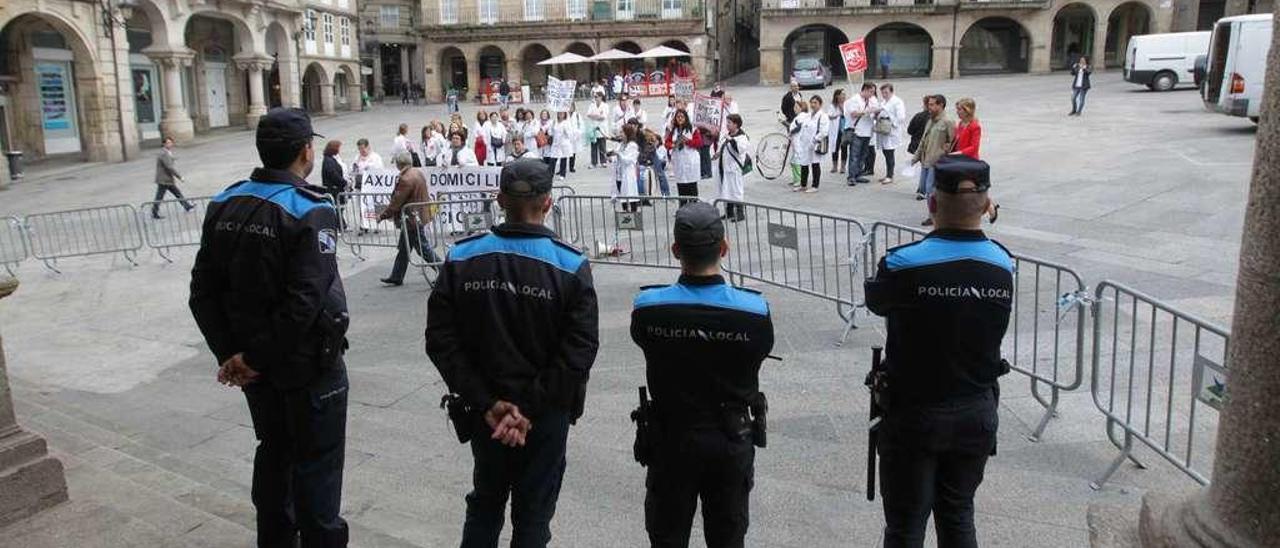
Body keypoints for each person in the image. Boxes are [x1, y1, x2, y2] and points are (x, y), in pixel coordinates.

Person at [189, 108, 350, 547]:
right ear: (305, 151)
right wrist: (251, 358)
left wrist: (233, 356)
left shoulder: (225, 202)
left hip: (256, 372)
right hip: (306, 368)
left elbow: (202, 292)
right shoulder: (309, 209)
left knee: (275, 452)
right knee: (317, 468)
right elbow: (305, 303)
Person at [426, 159, 599, 548]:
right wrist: (528, 408)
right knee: (533, 515)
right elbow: (580, 349)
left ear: (500, 199)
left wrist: (488, 404)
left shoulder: (461, 258)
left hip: (484, 412)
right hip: (544, 414)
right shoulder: (570, 265)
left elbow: (440, 339)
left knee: (485, 504)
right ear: (549, 203)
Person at [863, 154, 1011, 548]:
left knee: (906, 526)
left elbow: (876, 301)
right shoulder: (1002, 264)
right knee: (959, 515)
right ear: (986, 203)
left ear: (932, 203)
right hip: (975, 409)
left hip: (914, 412)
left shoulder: (903, 264)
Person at [630, 201, 774, 548]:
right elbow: (760, 350)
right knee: (727, 537)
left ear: (675, 250)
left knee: (667, 536)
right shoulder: (754, 311)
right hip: (730, 439)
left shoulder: (650, 308)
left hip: (671, 439)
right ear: (724, 248)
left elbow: (642, 339)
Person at [378, 152, 435, 286]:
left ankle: (445, 271)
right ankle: (397, 275)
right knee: (404, 248)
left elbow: (396, 202)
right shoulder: (417, 172)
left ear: (399, 164)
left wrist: (383, 215)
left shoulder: (405, 179)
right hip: (417, 216)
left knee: (423, 249)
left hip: (411, 219)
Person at [913, 95, 957, 226]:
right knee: (926, 189)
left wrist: (946, 153)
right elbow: (923, 140)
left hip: (938, 162)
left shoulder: (948, 121)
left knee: (930, 190)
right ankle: (935, 214)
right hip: (926, 160)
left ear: (941, 105)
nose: (929, 107)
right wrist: (916, 157)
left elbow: (953, 142)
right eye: (929, 104)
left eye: (932, 105)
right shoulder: (930, 120)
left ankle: (934, 216)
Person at [715, 113, 752, 220]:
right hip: (725, 168)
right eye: (727, 122)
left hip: (734, 169)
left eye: (729, 123)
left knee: (736, 190)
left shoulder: (742, 137)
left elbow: (739, 150)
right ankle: (729, 212)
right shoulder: (728, 134)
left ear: (736, 124)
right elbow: (723, 147)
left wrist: (731, 140)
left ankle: (740, 214)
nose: (727, 125)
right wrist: (717, 154)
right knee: (726, 190)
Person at [844, 82, 881, 186]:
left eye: (873, 92)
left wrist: (876, 111)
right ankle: (851, 176)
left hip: (868, 131)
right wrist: (867, 111)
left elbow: (875, 111)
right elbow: (853, 113)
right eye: (871, 92)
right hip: (857, 131)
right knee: (854, 155)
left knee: (863, 154)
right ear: (864, 89)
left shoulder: (872, 100)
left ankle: (858, 174)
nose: (872, 94)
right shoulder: (854, 99)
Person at [151, 136, 195, 219]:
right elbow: (169, 167)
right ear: (164, 144)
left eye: (171, 142)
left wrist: (173, 159)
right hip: (164, 179)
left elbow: (168, 161)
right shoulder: (164, 153)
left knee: (176, 193)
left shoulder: (166, 152)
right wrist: (180, 177)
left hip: (165, 179)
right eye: (168, 143)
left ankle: (187, 206)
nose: (170, 144)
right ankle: (154, 212)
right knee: (160, 196)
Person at [792, 95, 829, 194]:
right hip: (805, 144)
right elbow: (802, 126)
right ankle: (803, 185)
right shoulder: (808, 115)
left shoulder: (823, 116)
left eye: (815, 103)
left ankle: (815, 185)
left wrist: (814, 141)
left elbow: (824, 132)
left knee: (815, 164)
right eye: (811, 102)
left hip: (814, 144)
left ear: (820, 104)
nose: (813, 105)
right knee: (804, 164)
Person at [666, 109, 703, 198]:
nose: (680, 119)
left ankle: (693, 207)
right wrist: (673, 145)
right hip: (679, 161)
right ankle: (683, 208)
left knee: (691, 187)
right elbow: (667, 143)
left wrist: (687, 141)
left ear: (686, 118)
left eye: (682, 117)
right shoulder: (673, 130)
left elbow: (699, 143)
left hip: (690, 161)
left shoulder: (692, 130)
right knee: (681, 187)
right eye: (678, 117)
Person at [875, 83, 907, 185]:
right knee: (885, 152)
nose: (884, 95)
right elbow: (879, 112)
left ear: (891, 92)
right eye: (882, 93)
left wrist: (891, 120)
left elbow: (901, 117)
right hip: (883, 128)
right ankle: (888, 174)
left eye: (886, 92)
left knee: (889, 153)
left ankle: (890, 175)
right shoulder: (883, 101)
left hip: (891, 129)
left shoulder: (897, 102)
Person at [609, 123, 642, 212]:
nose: (620, 134)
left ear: (627, 133)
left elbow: (628, 160)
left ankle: (633, 215)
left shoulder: (632, 145)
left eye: (622, 132)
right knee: (622, 195)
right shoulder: (621, 144)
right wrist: (611, 157)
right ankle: (625, 213)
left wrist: (618, 154)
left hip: (628, 174)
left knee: (631, 195)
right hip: (619, 174)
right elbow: (617, 156)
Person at [645, 128, 672, 197]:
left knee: (660, 174)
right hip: (652, 159)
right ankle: (664, 192)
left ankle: (665, 193)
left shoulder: (659, 147)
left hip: (660, 161)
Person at [827, 89, 847, 175]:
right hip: (836, 130)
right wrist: (838, 114)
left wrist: (842, 109)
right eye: (841, 94)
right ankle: (834, 166)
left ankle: (843, 166)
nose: (843, 96)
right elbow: (830, 116)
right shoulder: (833, 105)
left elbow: (848, 114)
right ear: (837, 96)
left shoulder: (847, 104)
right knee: (835, 148)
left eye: (844, 95)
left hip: (845, 129)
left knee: (844, 148)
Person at [321, 139, 347, 205]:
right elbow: (333, 174)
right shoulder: (329, 161)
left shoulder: (329, 159)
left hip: (335, 190)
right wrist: (344, 182)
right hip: (334, 191)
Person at [588, 94, 611, 168]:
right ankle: (594, 162)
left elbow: (603, 117)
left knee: (602, 145)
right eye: (595, 97)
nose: (596, 98)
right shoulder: (592, 105)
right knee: (593, 146)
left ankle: (603, 161)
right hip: (593, 127)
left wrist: (594, 116)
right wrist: (597, 116)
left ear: (601, 97)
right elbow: (588, 114)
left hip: (602, 128)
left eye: (597, 97)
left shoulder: (605, 106)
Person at [550, 111, 574, 180]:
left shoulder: (566, 123)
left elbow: (570, 134)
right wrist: (551, 128)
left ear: (564, 115)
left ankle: (562, 174)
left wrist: (566, 130)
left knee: (563, 158)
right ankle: (550, 174)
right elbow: (551, 132)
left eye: (562, 114)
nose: (560, 115)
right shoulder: (554, 122)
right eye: (559, 113)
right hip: (555, 143)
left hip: (563, 143)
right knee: (553, 159)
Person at [905, 95, 930, 160]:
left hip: (915, 146)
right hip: (929, 149)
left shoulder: (918, 116)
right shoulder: (936, 118)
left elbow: (909, 131)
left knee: (912, 168)